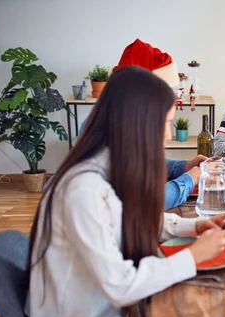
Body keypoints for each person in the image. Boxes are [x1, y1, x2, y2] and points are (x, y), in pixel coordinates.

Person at [25, 66, 225, 317]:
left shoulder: (102, 167)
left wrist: (194, 227)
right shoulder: (83, 188)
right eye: (165, 123)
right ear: (139, 123)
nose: (168, 135)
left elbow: (123, 221)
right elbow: (120, 286)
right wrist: (193, 258)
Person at [77, 39, 205, 210]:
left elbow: (147, 163)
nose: (167, 135)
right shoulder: (105, 133)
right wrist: (188, 180)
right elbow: (143, 203)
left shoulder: (121, 121)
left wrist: (184, 167)